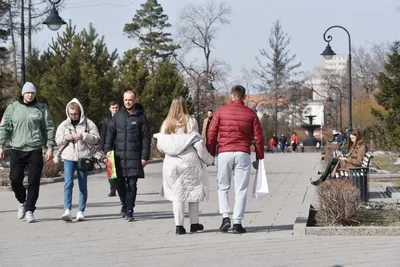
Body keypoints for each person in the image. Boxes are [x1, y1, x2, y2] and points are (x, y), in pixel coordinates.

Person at [207, 85, 264, 234]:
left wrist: (210, 153)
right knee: (241, 189)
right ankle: (237, 222)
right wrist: (259, 157)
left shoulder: (220, 112)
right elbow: (258, 137)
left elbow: (211, 134)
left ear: (231, 96)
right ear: (244, 97)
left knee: (223, 186)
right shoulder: (251, 114)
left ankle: (225, 217)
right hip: (242, 153)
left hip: (224, 153)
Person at [154, 97, 214, 235]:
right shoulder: (191, 121)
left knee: (177, 195)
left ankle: (179, 226)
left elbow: (161, 145)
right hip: (189, 161)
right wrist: (209, 159)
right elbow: (198, 144)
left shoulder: (166, 123)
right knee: (193, 192)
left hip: (172, 162)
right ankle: (194, 223)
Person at [0, 82, 55, 223]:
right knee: (14, 179)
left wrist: (50, 147)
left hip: (35, 149)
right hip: (17, 149)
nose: (30, 95)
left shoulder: (41, 108)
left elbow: (49, 127)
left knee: (34, 181)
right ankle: (22, 201)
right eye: (27, 93)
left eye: (32, 93)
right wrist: (1, 145)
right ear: (23, 94)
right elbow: (4, 127)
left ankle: (30, 210)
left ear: (35, 94)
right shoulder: (13, 108)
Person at [104, 90, 151, 222]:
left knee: (132, 184)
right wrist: (107, 150)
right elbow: (110, 134)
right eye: (125, 100)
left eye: (130, 100)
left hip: (134, 156)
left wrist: (145, 156)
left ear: (134, 100)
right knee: (119, 183)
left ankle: (130, 209)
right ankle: (124, 203)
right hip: (118, 157)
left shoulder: (141, 117)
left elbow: (146, 138)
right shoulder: (117, 117)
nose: (128, 102)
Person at [55, 98, 100, 221]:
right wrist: (67, 137)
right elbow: (58, 140)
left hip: (83, 157)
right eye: (71, 114)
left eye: (75, 114)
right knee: (68, 183)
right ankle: (67, 210)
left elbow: (96, 138)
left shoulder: (88, 123)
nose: (73, 116)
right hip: (68, 157)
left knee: (82, 184)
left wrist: (83, 136)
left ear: (80, 112)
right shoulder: (64, 125)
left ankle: (81, 211)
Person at [100, 101, 120, 197]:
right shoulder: (106, 121)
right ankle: (113, 189)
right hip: (110, 149)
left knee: (121, 170)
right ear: (110, 109)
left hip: (120, 148)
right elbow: (103, 135)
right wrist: (103, 149)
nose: (115, 109)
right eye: (113, 107)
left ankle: (121, 187)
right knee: (111, 171)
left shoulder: (122, 119)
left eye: (116, 107)